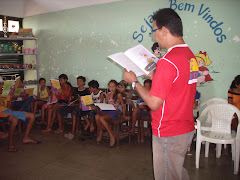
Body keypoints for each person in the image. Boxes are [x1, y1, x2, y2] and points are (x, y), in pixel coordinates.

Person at [123, 8, 198, 180]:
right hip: (184, 127)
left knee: (167, 176)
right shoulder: (189, 56)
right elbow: (177, 87)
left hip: (168, 131)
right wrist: (154, 76)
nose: (154, 36)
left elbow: (154, 103)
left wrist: (134, 82)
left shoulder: (168, 60)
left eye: (154, 31)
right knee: (177, 172)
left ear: (164, 30)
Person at [0, 79, 40, 152]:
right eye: (1, 84)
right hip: (1, 113)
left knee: (32, 116)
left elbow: (9, 108)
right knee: (15, 120)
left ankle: (26, 138)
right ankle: (10, 144)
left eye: (2, 84)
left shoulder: (5, 94)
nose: (1, 86)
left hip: (8, 111)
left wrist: (11, 98)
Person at [95, 80, 126, 146]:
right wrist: (102, 107)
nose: (111, 88)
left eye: (113, 86)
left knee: (102, 118)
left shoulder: (118, 94)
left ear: (116, 87)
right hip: (107, 110)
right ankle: (101, 131)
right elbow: (106, 104)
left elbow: (123, 105)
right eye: (110, 86)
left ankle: (111, 134)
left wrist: (124, 115)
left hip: (113, 111)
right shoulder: (108, 94)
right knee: (97, 116)